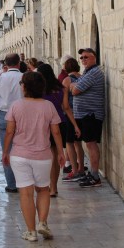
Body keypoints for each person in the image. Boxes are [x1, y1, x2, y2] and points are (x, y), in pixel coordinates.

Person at [3, 72, 64, 241]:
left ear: (25, 87)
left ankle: (31, 232)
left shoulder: (16, 106)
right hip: (42, 155)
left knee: (26, 193)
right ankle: (42, 222)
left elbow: (9, 131)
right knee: (43, 189)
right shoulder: (48, 106)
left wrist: (5, 152)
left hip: (20, 155)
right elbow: (56, 132)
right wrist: (61, 152)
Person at [37, 63, 76, 197]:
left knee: (47, 157)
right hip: (60, 123)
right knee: (56, 156)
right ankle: (54, 187)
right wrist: (75, 124)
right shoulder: (61, 88)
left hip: (44, 125)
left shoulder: (39, 90)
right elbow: (66, 107)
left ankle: (48, 185)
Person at [70, 48, 107, 188]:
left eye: (86, 57)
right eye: (82, 58)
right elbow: (76, 87)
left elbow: (75, 90)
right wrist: (75, 86)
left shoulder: (94, 73)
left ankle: (95, 176)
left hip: (91, 115)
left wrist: (74, 86)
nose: (84, 60)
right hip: (86, 115)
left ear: (94, 58)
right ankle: (93, 174)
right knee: (89, 144)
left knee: (91, 144)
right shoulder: (88, 73)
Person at [0, 53, 24, 192]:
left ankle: (11, 184)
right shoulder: (25, 77)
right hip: (22, 114)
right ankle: (24, 182)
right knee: (24, 149)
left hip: (5, 115)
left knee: (7, 150)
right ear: (18, 63)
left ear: (6, 63)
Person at [60, 58, 85, 180]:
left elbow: (65, 104)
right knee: (78, 143)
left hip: (70, 115)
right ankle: (81, 169)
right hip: (81, 114)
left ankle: (74, 170)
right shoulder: (82, 77)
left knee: (69, 143)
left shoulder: (67, 80)